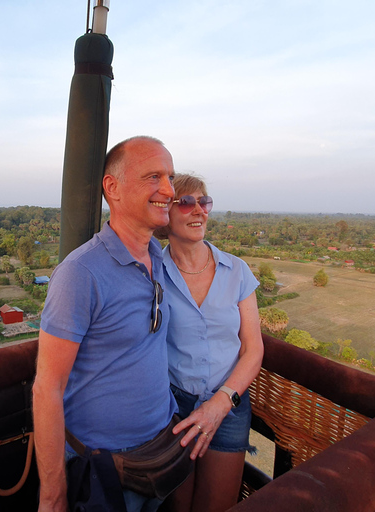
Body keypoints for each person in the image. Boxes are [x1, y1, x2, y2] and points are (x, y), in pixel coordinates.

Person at [33, 136, 180, 512]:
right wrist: (53, 494)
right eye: (153, 177)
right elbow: (47, 387)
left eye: (170, 177)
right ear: (112, 188)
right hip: (105, 467)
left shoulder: (158, 258)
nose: (169, 189)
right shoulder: (80, 273)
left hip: (161, 452)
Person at [156, 174, 264, 512]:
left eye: (204, 202)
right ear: (166, 215)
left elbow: (253, 347)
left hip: (229, 404)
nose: (198, 210)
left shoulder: (237, 271)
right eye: (186, 202)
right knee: (177, 505)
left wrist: (222, 401)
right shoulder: (153, 272)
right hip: (174, 408)